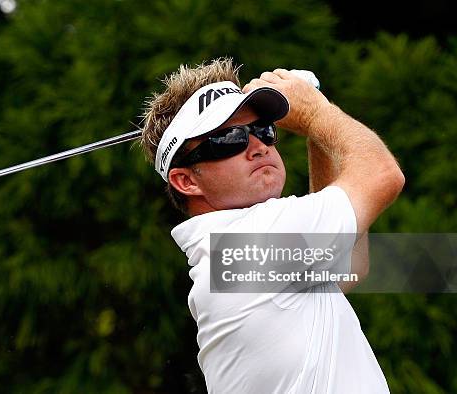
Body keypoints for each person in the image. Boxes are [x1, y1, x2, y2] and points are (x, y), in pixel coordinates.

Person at [139, 58, 404, 393]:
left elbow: (345, 268)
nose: (258, 146)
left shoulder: (232, 256)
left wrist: (315, 132)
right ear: (186, 181)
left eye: (262, 130)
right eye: (229, 139)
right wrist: (313, 112)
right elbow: (382, 174)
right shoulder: (247, 244)